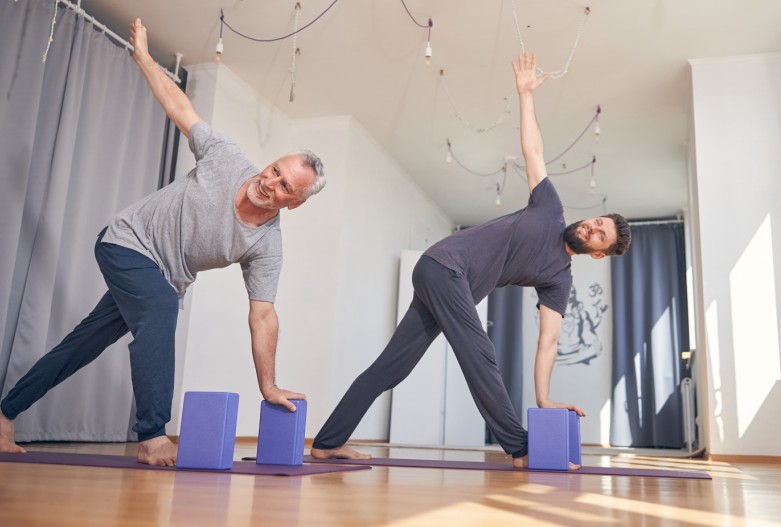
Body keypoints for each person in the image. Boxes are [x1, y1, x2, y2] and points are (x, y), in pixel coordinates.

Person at [0, 18, 326, 466]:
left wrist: (268, 386)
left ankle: (4, 412)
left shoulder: (266, 244)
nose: (269, 183)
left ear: (295, 204)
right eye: (274, 170)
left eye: (285, 186)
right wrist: (145, 59)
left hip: (162, 277)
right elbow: (180, 109)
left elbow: (263, 314)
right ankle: (152, 435)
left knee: (84, 344)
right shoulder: (226, 159)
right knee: (160, 307)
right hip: (126, 242)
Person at [310, 52, 631, 468]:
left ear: (599, 252)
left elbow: (548, 340)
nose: (590, 228)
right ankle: (520, 448)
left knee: (392, 368)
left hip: (445, 282)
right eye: (596, 222)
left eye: (598, 235)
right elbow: (533, 149)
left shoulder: (559, 279)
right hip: (445, 267)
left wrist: (544, 398)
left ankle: (327, 441)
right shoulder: (549, 207)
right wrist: (526, 95)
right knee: (480, 354)